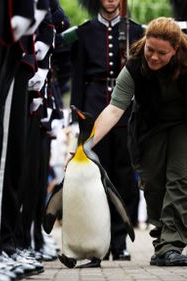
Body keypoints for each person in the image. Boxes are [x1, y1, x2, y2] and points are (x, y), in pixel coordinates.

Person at [92, 17, 187, 266]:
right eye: (150, 50)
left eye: (161, 53)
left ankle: (170, 245)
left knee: (179, 180)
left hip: (183, 126)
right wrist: (86, 144)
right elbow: (114, 109)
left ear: (175, 50)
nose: (153, 57)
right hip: (150, 127)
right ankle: (163, 241)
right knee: (154, 185)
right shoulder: (134, 66)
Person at [69, 0, 143, 261]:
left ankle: (120, 242)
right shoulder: (85, 32)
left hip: (125, 113)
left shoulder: (136, 32)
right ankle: (96, 244)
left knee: (124, 179)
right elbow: (78, 78)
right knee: (95, 179)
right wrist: (75, 117)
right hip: (93, 108)